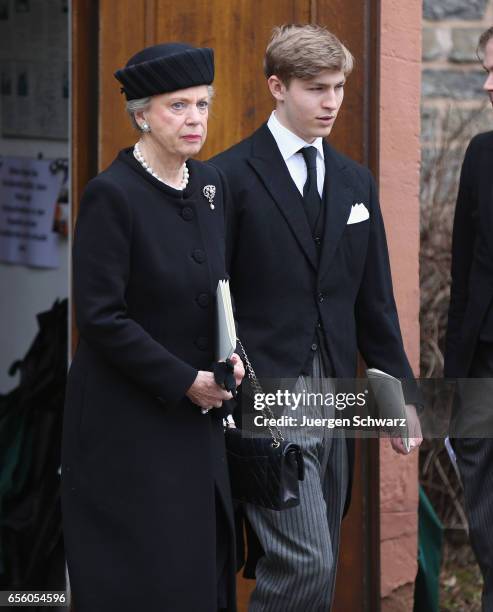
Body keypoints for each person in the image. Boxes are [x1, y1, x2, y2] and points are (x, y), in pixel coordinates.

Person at [211, 24, 422, 611]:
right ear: (277, 87)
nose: (332, 102)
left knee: (320, 555)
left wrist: (398, 391)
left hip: (338, 390)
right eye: (316, 88)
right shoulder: (227, 178)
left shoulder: (356, 181)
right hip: (266, 392)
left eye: (339, 88)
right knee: (307, 559)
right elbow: (211, 298)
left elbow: (374, 298)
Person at [61, 42, 244, 612]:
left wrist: (233, 357)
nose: (196, 120)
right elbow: (100, 317)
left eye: (204, 105)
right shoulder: (111, 195)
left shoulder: (211, 186)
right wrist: (184, 379)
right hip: (129, 429)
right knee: (149, 584)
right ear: (142, 114)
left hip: (200, 427)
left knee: (202, 579)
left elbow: (216, 292)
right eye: (178, 106)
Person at [444, 26, 493, 612]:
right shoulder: (481, 154)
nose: (485, 85)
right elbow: (464, 270)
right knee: (484, 517)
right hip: (481, 359)